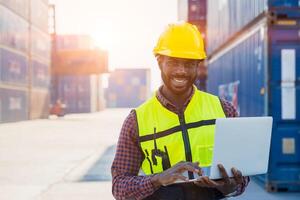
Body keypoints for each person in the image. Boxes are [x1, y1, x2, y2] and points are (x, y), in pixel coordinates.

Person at [111, 22, 249, 200]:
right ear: (160, 62)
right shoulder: (137, 121)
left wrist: (232, 187)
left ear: (198, 65)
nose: (181, 71)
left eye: (189, 64)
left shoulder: (224, 110)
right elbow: (119, 187)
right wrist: (157, 180)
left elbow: (243, 175)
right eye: (173, 62)